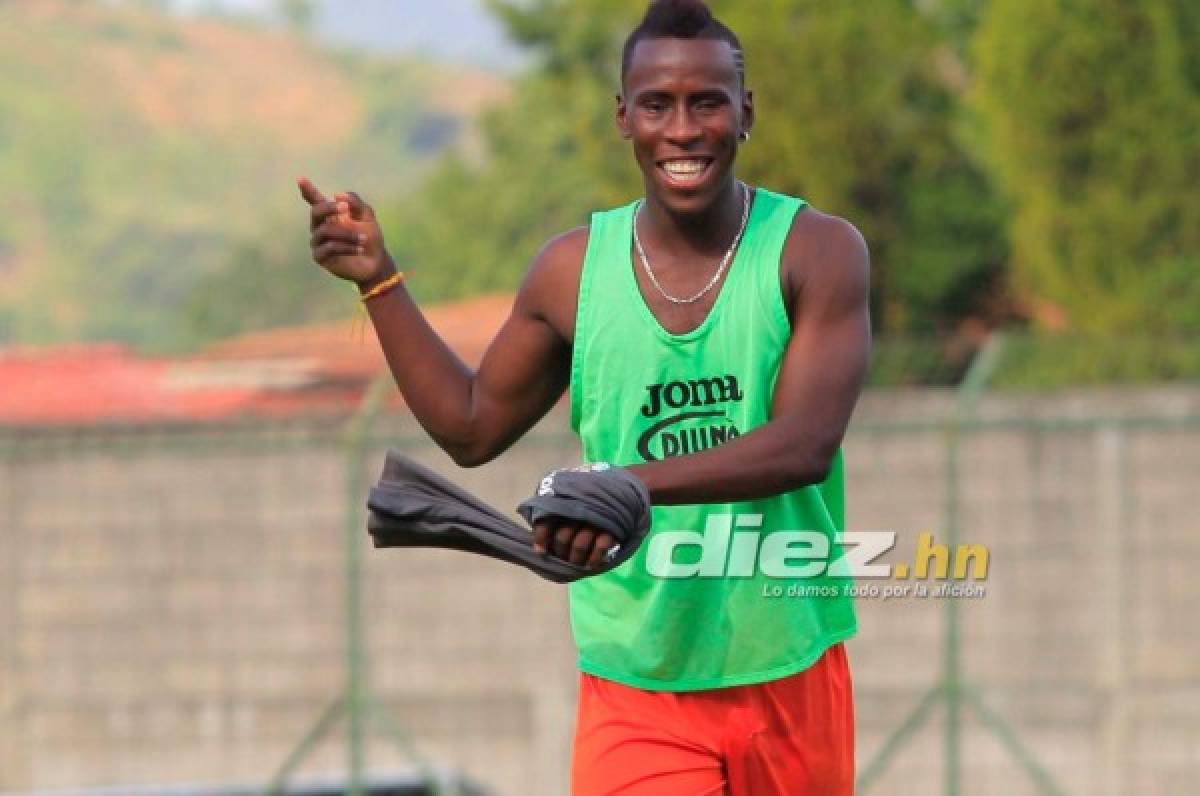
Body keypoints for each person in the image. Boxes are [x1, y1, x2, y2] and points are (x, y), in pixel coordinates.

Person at [299, 0, 869, 791]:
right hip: (639, 685)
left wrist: (626, 485)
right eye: (657, 105)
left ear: (745, 113)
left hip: (789, 664)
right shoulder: (572, 272)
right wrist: (380, 280)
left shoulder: (817, 250)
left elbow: (805, 444)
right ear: (623, 118)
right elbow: (470, 428)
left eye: (707, 102)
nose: (682, 129)